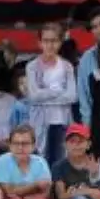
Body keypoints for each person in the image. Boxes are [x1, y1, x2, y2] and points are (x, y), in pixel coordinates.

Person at [24, 22, 77, 166]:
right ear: (40, 43)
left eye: (54, 41)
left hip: (61, 122)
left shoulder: (67, 66)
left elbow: (72, 96)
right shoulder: (32, 66)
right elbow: (33, 96)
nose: (50, 45)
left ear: (60, 42)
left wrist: (45, 94)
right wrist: (58, 91)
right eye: (46, 41)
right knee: (39, 162)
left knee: (59, 163)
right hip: (40, 123)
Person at [0, 124, 53, 199]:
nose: (20, 147)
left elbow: (46, 192)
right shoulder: (3, 161)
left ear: (33, 146)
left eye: (25, 144)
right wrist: (35, 186)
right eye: (16, 143)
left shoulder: (40, 162)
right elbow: (9, 192)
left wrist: (20, 190)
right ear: (10, 145)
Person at [51, 124, 100, 199]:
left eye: (80, 141)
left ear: (88, 144)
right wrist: (85, 191)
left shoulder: (94, 162)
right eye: (72, 141)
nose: (76, 145)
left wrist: (95, 175)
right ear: (65, 144)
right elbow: (62, 196)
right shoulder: (58, 166)